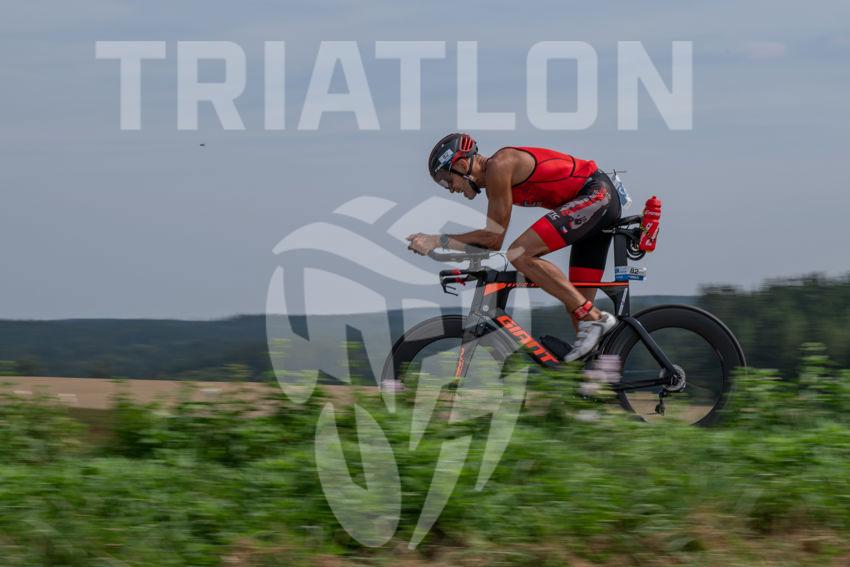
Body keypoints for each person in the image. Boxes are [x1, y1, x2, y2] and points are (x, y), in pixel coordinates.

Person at [407, 132, 621, 361]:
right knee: (578, 309)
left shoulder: (499, 166)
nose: (450, 188)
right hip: (595, 204)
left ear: (461, 164)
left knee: (521, 254)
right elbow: (489, 241)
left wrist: (438, 241)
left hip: (596, 195)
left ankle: (596, 318)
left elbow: (493, 240)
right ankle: (599, 372)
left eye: (447, 180)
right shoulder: (494, 176)